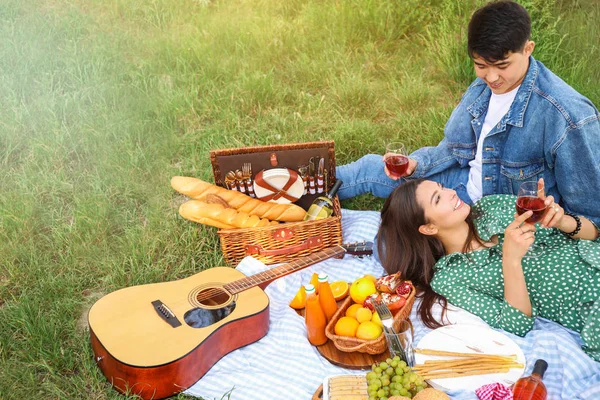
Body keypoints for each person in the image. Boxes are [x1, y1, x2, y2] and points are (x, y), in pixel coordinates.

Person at [337, 0, 600, 229]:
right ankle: (301, 185)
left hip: (502, 215)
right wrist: (418, 165)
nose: (492, 77)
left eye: (502, 66)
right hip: (460, 185)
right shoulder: (482, 87)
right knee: (370, 168)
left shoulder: (568, 117)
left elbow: (592, 215)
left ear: (528, 49)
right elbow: (455, 148)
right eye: (481, 65)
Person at [377, 178, 600, 361]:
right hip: (591, 303)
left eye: (443, 187)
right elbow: (516, 324)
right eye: (438, 198)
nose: (452, 192)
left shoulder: (490, 206)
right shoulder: (449, 277)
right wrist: (511, 259)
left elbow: (595, 233)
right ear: (429, 227)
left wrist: (563, 221)